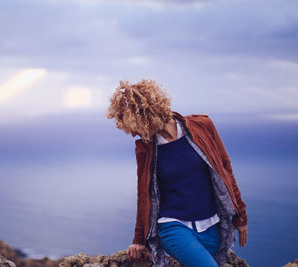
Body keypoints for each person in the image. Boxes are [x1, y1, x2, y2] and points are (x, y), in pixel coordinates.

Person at [106, 79, 248, 267]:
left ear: (143, 115)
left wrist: (240, 216)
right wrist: (138, 240)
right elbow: (144, 195)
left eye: (132, 126)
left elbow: (225, 168)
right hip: (172, 226)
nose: (133, 134)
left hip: (211, 224)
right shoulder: (145, 148)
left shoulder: (203, 126)